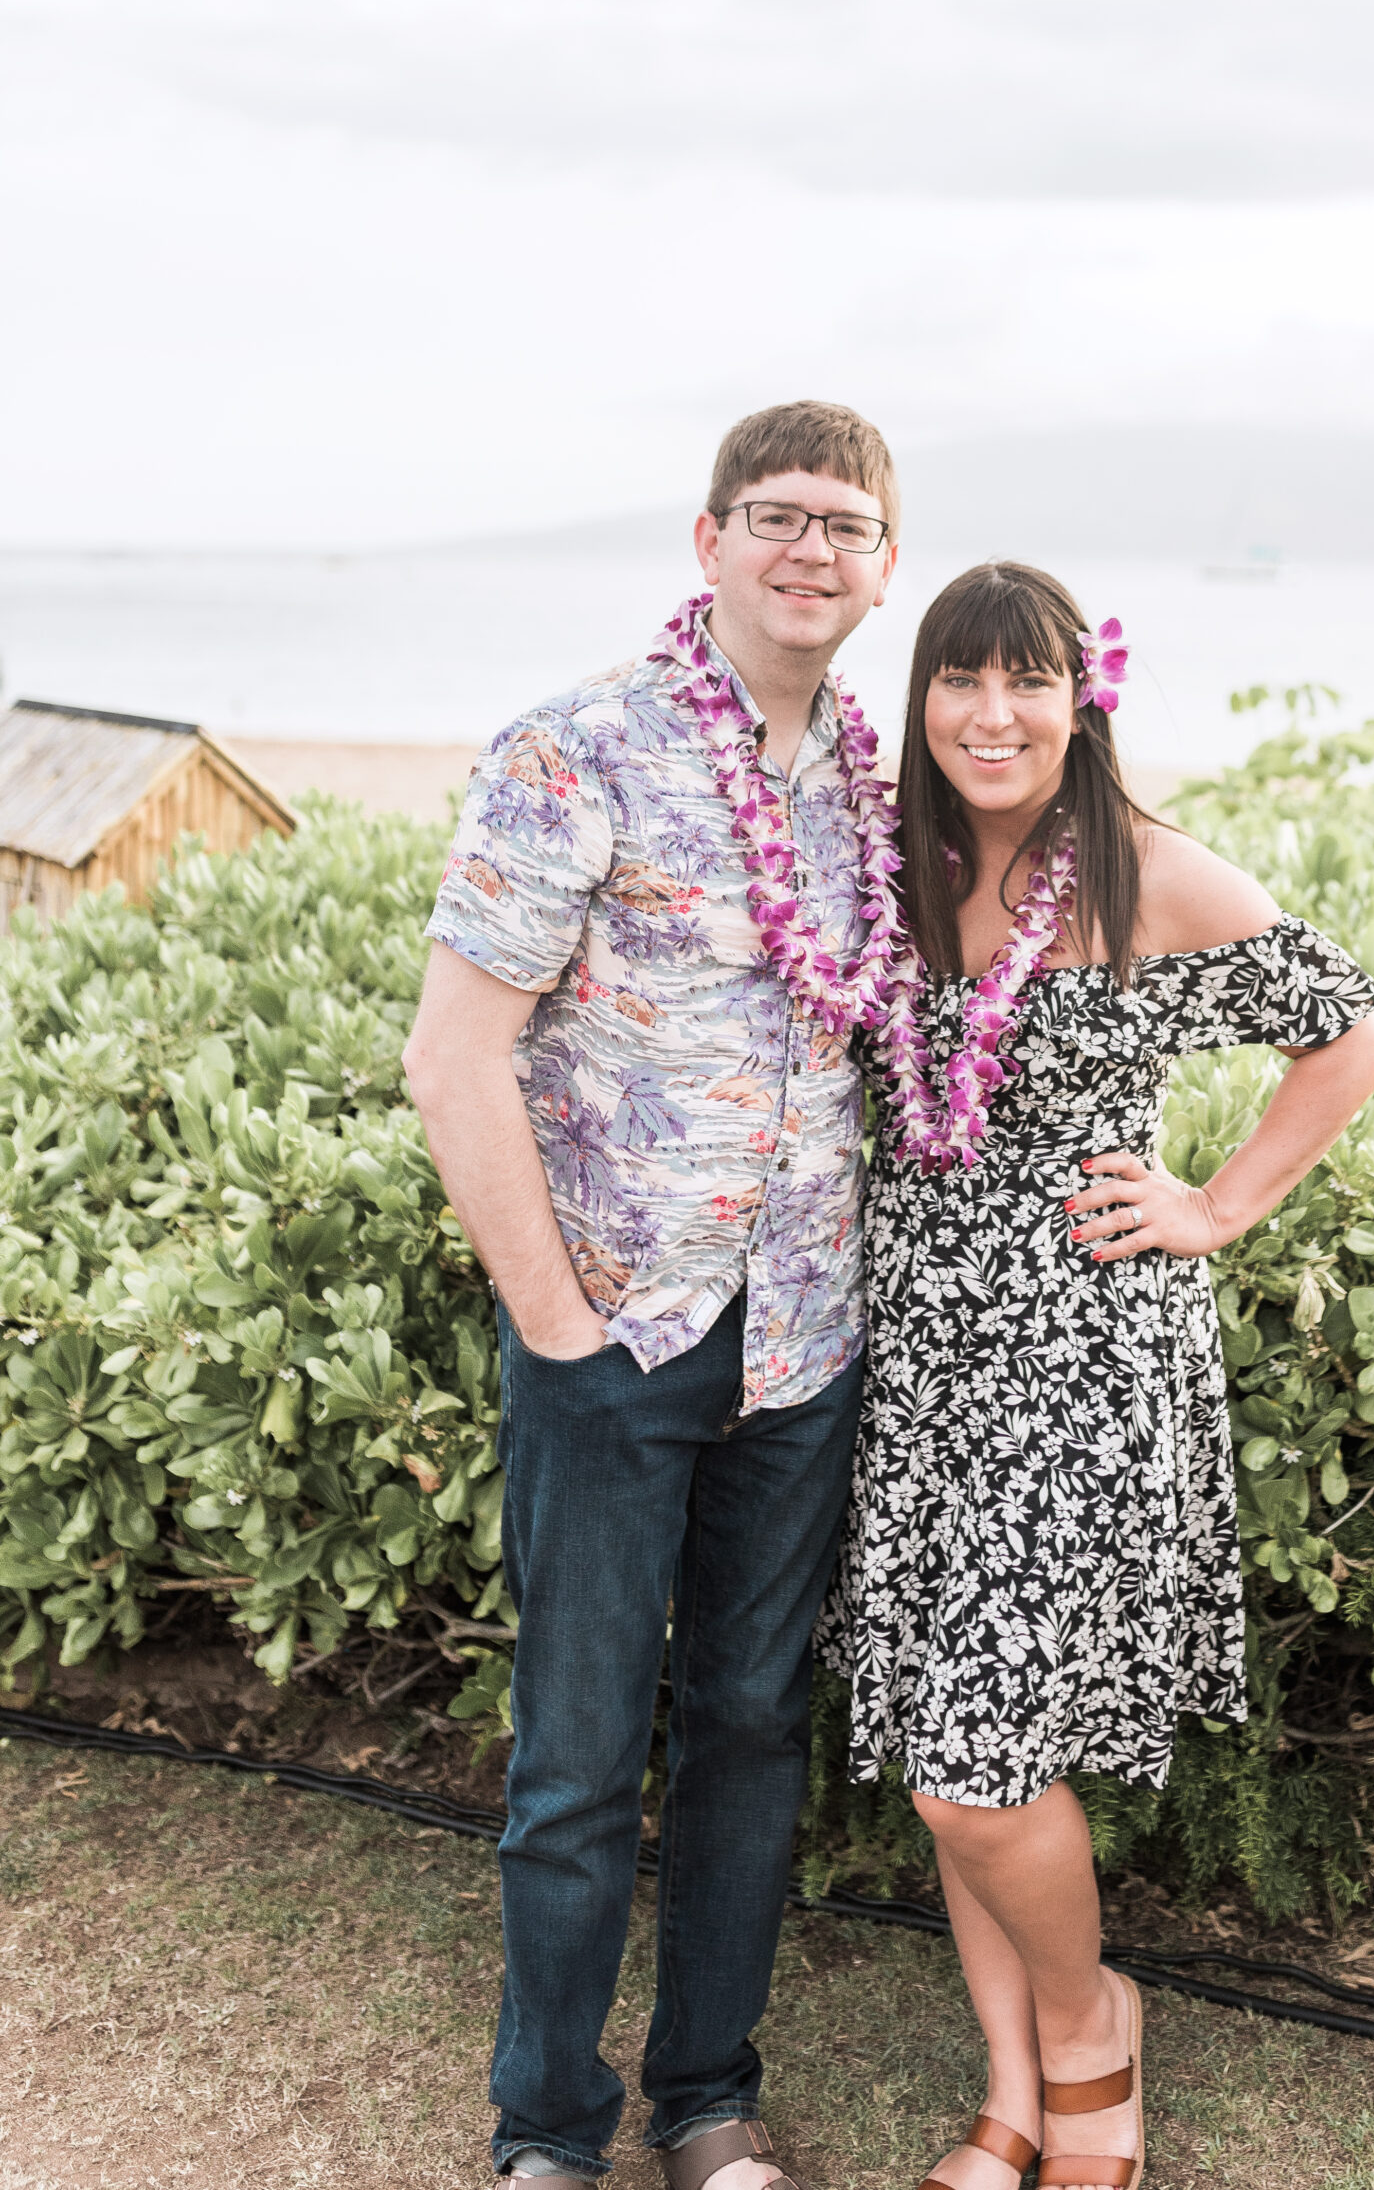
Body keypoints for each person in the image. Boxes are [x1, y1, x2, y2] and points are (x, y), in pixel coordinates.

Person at [816, 561, 1374, 2190]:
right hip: (921, 1356)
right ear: (921, 700)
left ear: (1084, 700)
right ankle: (1009, 2089)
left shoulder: (1150, 877)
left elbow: (1350, 1036)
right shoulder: (889, 871)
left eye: (1030, 684)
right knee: (957, 1752)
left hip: (1083, 1359)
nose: (993, 717)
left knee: (972, 1765)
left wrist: (1213, 1205)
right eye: (960, 682)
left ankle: (1090, 2035)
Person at [403, 402, 905, 2188]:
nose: (808, 550)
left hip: (805, 1341)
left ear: (883, 565)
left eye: (844, 525)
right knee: (578, 1760)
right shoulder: (576, 752)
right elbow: (454, 1060)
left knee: (756, 1732)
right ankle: (547, 2126)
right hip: (612, 1328)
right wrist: (556, 1324)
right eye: (775, 516)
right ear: (707, 543)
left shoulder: (877, 784)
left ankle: (710, 2101)